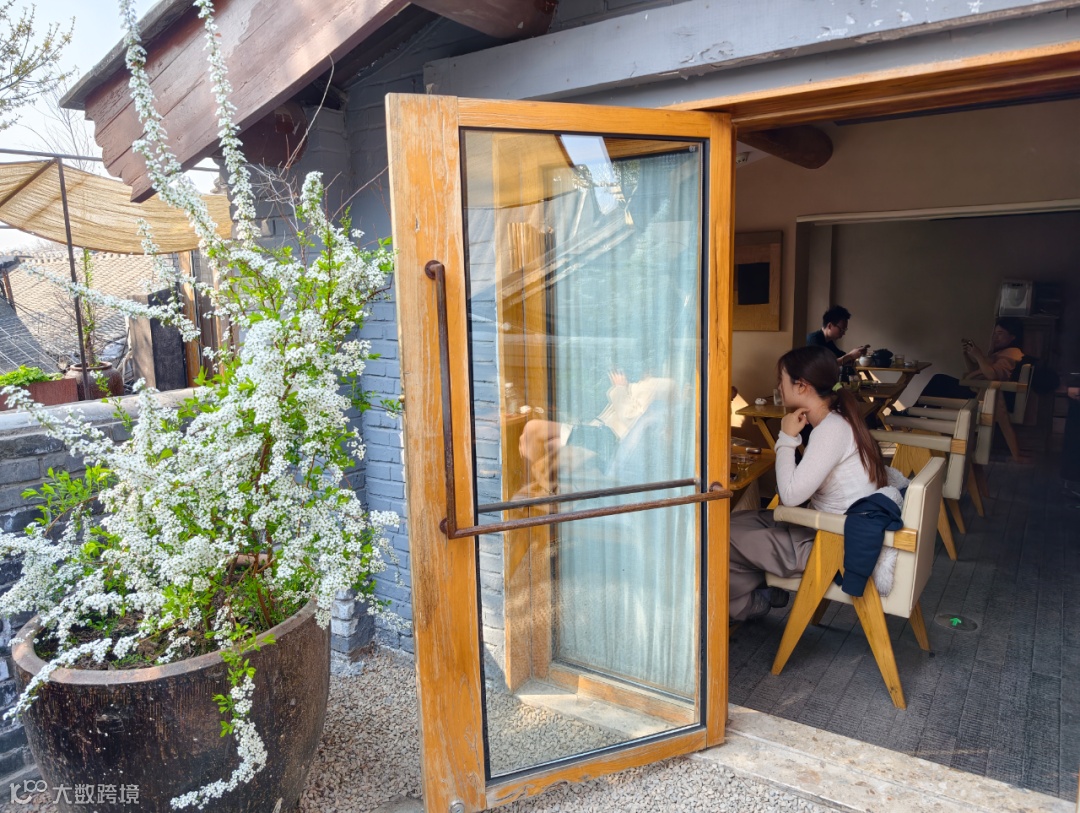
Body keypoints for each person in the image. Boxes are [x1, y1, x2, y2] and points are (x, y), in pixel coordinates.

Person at [729, 345, 889, 621]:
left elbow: (790, 497)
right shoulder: (837, 419)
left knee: (719, 535)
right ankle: (764, 590)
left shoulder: (831, 430)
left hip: (832, 543)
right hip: (834, 528)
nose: (777, 386)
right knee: (730, 522)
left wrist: (787, 438)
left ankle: (747, 603)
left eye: (781, 379)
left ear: (802, 386)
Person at [920, 317, 1025, 400]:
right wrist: (967, 355)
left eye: (1000, 334)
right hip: (975, 388)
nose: (995, 337)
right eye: (994, 334)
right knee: (939, 383)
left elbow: (992, 375)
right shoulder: (1001, 352)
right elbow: (974, 370)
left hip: (980, 394)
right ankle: (920, 413)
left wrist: (979, 355)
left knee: (939, 380)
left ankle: (914, 412)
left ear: (1013, 337)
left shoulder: (1012, 353)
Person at [806, 305, 870, 366]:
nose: (843, 333)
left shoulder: (828, 341)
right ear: (830, 326)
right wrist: (850, 355)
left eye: (845, 330)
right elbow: (824, 365)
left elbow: (841, 356)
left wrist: (858, 352)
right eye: (842, 329)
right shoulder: (813, 340)